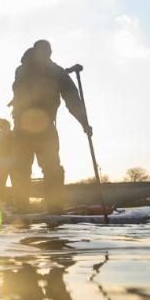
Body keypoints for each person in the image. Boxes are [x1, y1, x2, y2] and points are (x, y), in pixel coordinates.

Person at [7, 39, 91, 212]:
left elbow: (39, 79)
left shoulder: (22, 69)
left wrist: (84, 123)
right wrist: (84, 123)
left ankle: (22, 208)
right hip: (43, 127)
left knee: (22, 168)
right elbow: (73, 100)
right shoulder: (54, 71)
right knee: (50, 168)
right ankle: (53, 208)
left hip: (22, 127)